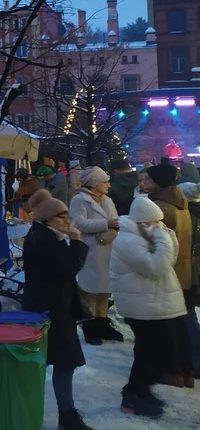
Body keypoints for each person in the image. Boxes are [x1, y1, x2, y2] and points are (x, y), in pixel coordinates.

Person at [22, 189, 94, 430]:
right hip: (50, 311)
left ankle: (64, 413)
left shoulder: (44, 235)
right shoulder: (42, 238)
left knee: (59, 362)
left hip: (52, 309)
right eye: (62, 216)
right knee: (60, 362)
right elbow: (66, 267)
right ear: (46, 218)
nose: (67, 219)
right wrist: (76, 242)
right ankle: (64, 415)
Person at [110, 196, 186, 417]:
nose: (159, 227)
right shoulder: (127, 240)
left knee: (155, 351)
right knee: (148, 352)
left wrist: (167, 237)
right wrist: (163, 238)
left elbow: (169, 261)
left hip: (151, 303)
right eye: (155, 222)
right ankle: (133, 394)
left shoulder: (145, 235)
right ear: (143, 222)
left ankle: (141, 390)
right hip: (140, 306)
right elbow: (156, 267)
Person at [143, 162, 195, 387]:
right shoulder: (180, 203)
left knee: (167, 325)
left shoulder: (160, 208)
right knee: (182, 322)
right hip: (181, 270)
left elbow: (153, 245)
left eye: (148, 180)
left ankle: (172, 370)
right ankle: (186, 370)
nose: (144, 183)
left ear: (158, 182)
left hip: (165, 272)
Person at [68, 166, 123, 346]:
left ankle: (103, 324)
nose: (108, 185)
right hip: (90, 251)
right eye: (104, 182)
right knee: (90, 290)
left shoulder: (107, 200)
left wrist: (109, 230)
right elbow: (78, 223)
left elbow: (116, 221)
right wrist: (105, 224)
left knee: (104, 291)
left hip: (108, 249)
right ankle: (90, 328)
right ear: (94, 184)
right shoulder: (79, 200)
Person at [179, 178, 200, 375]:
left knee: (188, 315)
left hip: (190, 272)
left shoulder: (186, 217)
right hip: (194, 271)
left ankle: (194, 360)